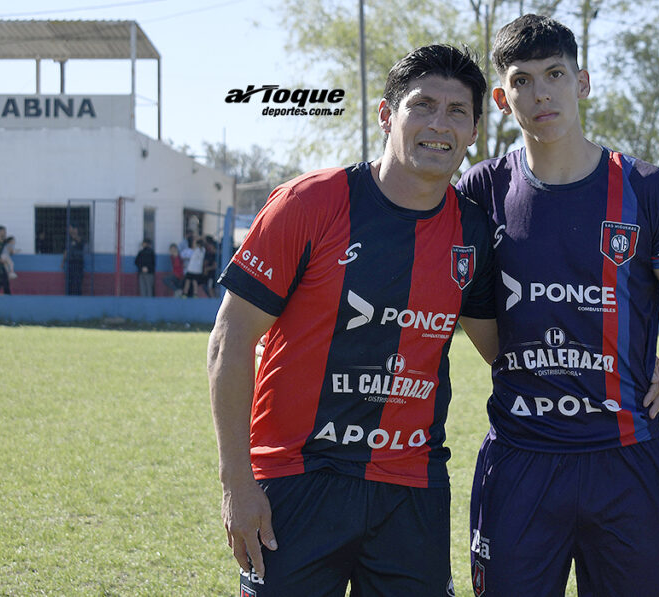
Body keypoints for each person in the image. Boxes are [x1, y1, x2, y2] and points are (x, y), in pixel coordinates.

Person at [207, 45, 502, 597]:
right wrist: (236, 483)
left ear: (475, 130)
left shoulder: (473, 232)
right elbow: (231, 338)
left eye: (457, 111)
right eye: (422, 105)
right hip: (297, 479)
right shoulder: (311, 203)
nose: (439, 124)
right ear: (388, 115)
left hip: (411, 488)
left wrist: (629, 365)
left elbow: (504, 351)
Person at [455, 15, 659, 597]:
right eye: (523, 81)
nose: (541, 93)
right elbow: (475, 320)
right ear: (502, 99)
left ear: (582, 81)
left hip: (627, 462)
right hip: (521, 460)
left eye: (555, 74)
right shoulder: (477, 194)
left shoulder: (647, 190)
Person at [63, 225, 85, 295]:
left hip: (78, 263)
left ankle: (78, 296)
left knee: (77, 281)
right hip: (70, 262)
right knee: (69, 281)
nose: (69, 230)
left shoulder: (80, 238)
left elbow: (80, 241)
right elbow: (66, 251)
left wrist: (73, 234)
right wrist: (63, 262)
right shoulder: (68, 239)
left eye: (70, 228)